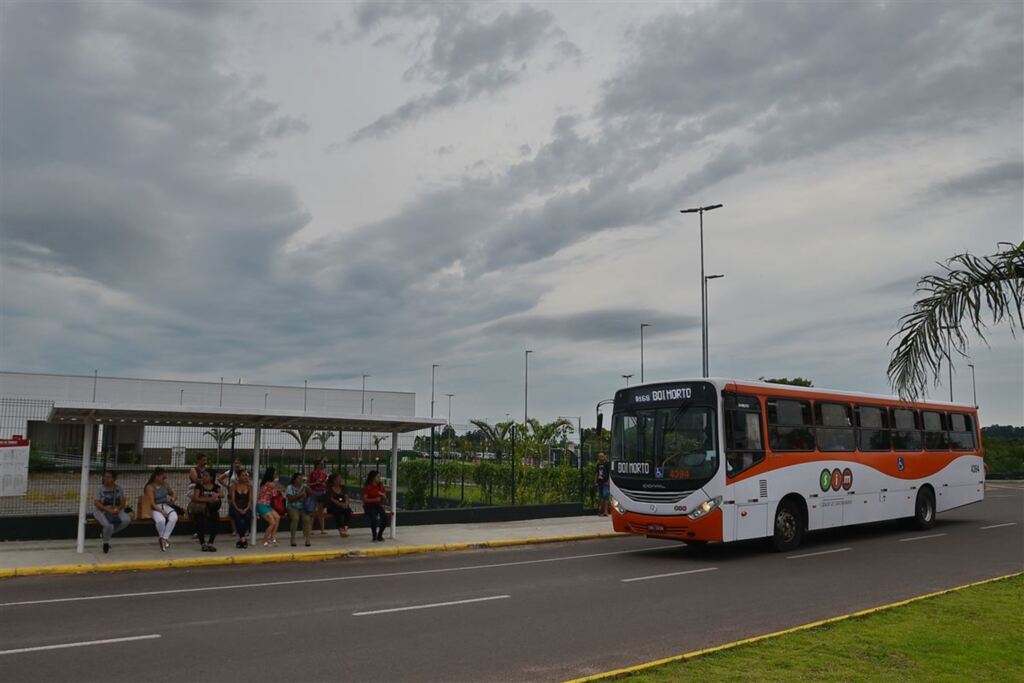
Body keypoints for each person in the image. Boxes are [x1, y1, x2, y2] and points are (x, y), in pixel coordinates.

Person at [93, 470, 130, 554]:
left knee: (126, 520)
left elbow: (123, 501)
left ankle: (105, 534)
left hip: (115, 509)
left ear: (114, 479)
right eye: (105, 477)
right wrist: (108, 510)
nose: (105, 479)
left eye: (108, 477)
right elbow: (97, 503)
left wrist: (118, 509)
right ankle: (106, 542)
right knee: (109, 526)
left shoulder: (118, 489)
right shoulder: (99, 489)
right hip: (101, 511)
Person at [144, 468, 178, 551]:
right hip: (154, 508)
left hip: (165, 505)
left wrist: (173, 496)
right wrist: (161, 511)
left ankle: (163, 538)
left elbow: (172, 494)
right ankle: (163, 539)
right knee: (161, 520)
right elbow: (152, 503)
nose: (164, 479)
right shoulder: (150, 487)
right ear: (157, 476)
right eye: (163, 477)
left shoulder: (165, 484)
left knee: (174, 517)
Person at [190, 468, 223, 552]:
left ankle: (211, 543)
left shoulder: (216, 487)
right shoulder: (199, 486)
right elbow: (195, 498)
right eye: (203, 475)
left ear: (211, 477)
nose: (203, 477)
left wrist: (216, 495)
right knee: (200, 522)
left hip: (212, 509)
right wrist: (208, 499)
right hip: (202, 509)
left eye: (206, 476)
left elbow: (222, 495)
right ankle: (203, 543)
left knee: (216, 521)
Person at [285, 472, 312, 547]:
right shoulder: (290, 487)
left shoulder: (304, 487)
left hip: (303, 507)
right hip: (292, 506)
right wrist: (300, 495)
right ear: (294, 479)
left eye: (301, 479)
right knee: (295, 518)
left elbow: (311, 495)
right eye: (299, 478)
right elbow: (290, 499)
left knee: (306, 519)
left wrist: (309, 490)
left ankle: (307, 539)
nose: (300, 480)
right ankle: (292, 539)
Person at [256, 467, 281, 547]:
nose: (276, 475)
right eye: (275, 473)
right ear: (272, 474)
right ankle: (264, 540)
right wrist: (278, 485)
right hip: (262, 505)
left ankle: (272, 537)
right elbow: (275, 494)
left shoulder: (265, 482)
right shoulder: (271, 484)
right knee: (272, 522)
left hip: (266, 505)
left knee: (277, 517)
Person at [362, 470, 389, 542]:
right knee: (374, 519)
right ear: (373, 478)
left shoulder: (380, 486)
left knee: (385, 518)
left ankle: (380, 535)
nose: (379, 478)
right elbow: (365, 499)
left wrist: (383, 495)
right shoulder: (368, 487)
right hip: (369, 506)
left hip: (378, 505)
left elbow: (385, 497)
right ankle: (374, 536)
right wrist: (374, 499)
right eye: (378, 477)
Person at [229, 469, 253, 549]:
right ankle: (243, 538)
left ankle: (241, 539)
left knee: (248, 516)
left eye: (246, 475)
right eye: (243, 475)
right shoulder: (234, 486)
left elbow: (250, 500)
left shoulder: (249, 486)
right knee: (237, 517)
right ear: (238, 476)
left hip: (246, 507)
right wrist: (238, 509)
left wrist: (246, 509)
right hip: (236, 507)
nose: (245, 477)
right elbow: (233, 500)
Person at [323, 473, 352, 538]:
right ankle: (340, 529)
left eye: (340, 478)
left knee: (348, 510)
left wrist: (346, 504)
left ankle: (345, 527)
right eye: (339, 478)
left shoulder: (343, 487)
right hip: (333, 506)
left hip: (343, 505)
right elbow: (331, 499)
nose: (340, 480)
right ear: (334, 480)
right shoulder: (330, 488)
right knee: (337, 512)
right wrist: (340, 504)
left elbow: (346, 496)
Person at [307, 459, 329, 535]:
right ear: (317, 465)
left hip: (322, 493)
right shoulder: (311, 474)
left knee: (321, 511)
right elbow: (308, 484)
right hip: (313, 493)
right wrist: (315, 483)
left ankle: (322, 529)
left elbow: (327, 485)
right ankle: (310, 530)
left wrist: (323, 484)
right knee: (312, 511)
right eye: (321, 464)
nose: (322, 466)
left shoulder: (324, 474)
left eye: (323, 464)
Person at [595, 452, 610, 516]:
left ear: (604, 457)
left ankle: (605, 511)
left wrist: (609, 481)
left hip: (605, 482)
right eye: (600, 456)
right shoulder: (598, 465)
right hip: (599, 482)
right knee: (601, 497)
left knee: (605, 496)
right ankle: (601, 511)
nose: (601, 458)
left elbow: (610, 473)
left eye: (602, 456)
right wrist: (595, 481)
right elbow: (596, 473)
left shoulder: (607, 464)